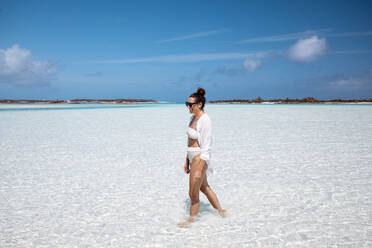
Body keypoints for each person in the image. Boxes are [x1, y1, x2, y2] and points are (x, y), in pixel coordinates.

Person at [178, 88, 227, 228]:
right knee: (204, 187)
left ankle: (191, 221)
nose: (188, 106)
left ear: (199, 104)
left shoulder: (205, 120)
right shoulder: (192, 117)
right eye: (186, 104)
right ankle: (221, 211)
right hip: (192, 156)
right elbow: (189, 141)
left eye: (190, 104)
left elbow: (206, 145)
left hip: (200, 157)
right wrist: (187, 160)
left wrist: (199, 167)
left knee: (192, 192)